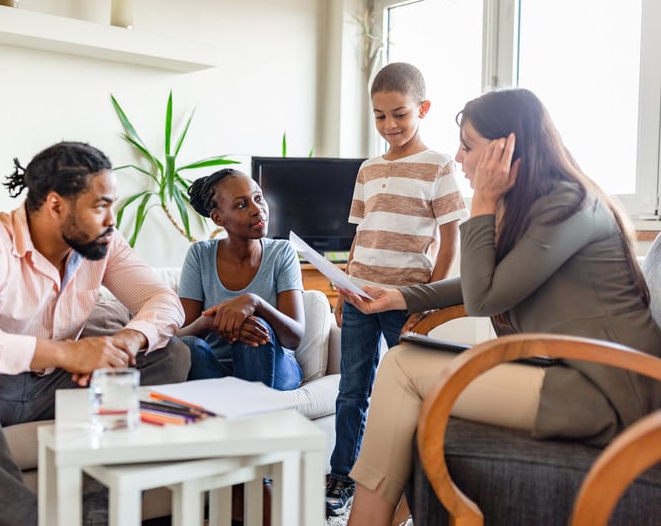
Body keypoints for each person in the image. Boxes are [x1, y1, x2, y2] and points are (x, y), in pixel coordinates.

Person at [340, 88, 661, 526]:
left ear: (507, 147)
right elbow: (488, 281)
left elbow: (483, 297)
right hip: (571, 375)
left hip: (609, 391)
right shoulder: (545, 205)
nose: (458, 157)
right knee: (403, 363)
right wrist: (402, 297)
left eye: (468, 146)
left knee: (401, 367)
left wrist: (484, 204)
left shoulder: (570, 206)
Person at [0, 141, 190, 526]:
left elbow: (163, 300)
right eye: (100, 205)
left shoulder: (102, 243)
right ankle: (23, 519)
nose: (112, 219)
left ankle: (96, 509)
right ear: (56, 205)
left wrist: (127, 340)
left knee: (173, 354)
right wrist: (62, 353)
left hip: (56, 388)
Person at [326, 62, 469, 516]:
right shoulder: (368, 169)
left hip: (406, 300)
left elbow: (451, 237)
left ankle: (413, 484)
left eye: (400, 114)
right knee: (351, 390)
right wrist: (343, 290)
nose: (390, 125)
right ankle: (342, 473)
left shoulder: (439, 165)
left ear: (423, 109)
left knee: (412, 390)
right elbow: (361, 234)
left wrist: (429, 295)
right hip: (360, 297)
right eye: (380, 116)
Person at [177, 168, 305, 391]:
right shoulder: (199, 255)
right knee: (188, 345)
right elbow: (179, 335)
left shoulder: (282, 252)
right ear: (218, 218)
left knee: (255, 327)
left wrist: (255, 303)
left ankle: (249, 412)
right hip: (216, 369)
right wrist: (209, 323)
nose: (258, 210)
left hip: (276, 366)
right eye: (241, 205)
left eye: (258, 198)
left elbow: (294, 338)